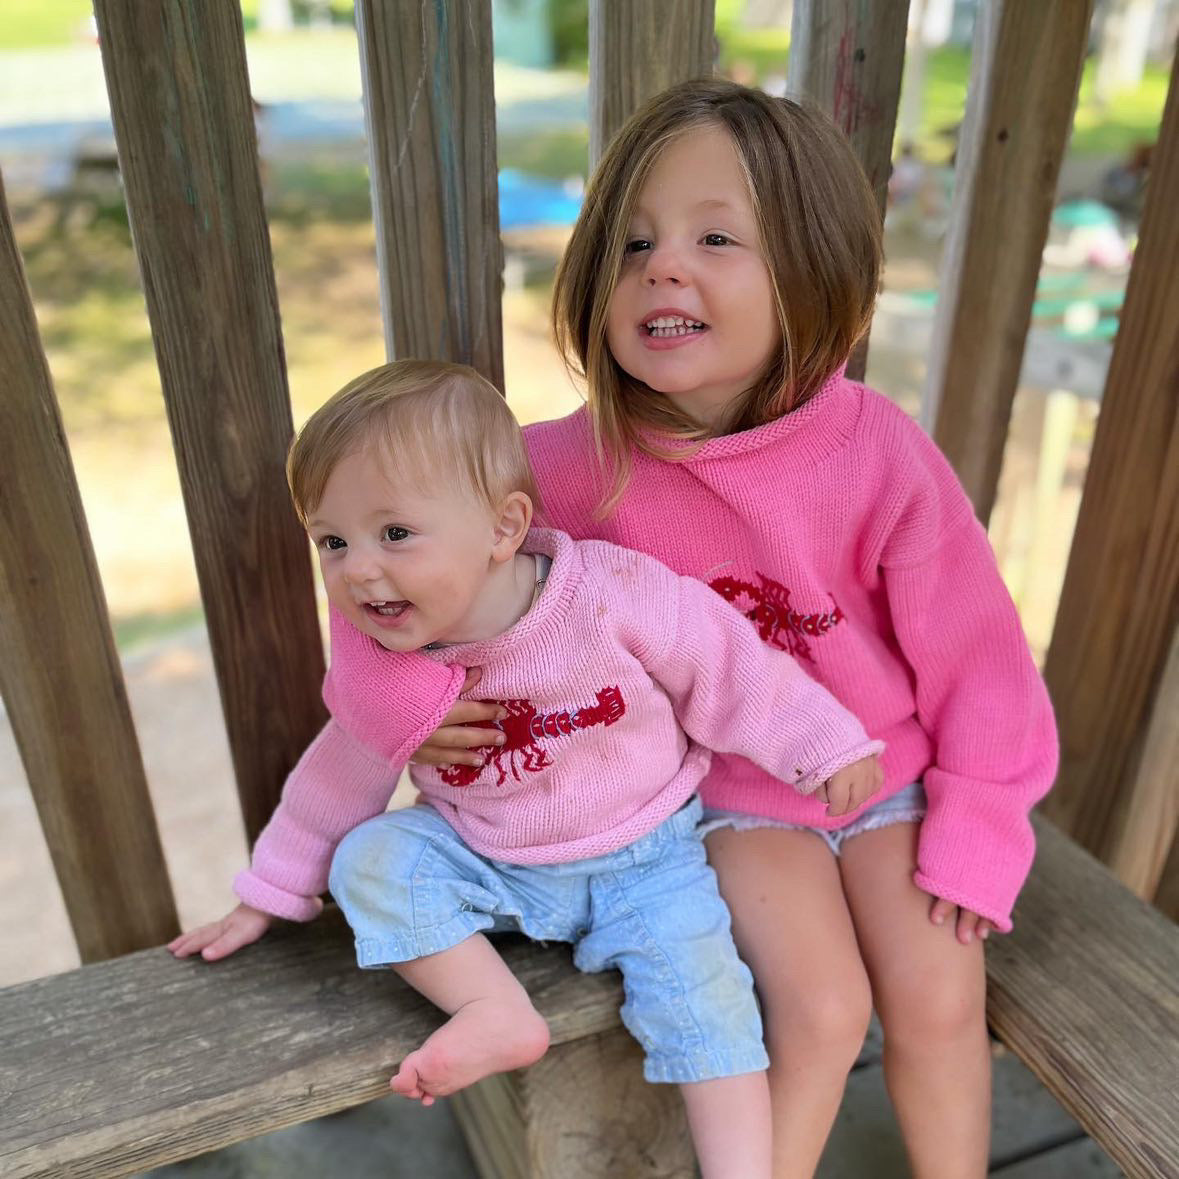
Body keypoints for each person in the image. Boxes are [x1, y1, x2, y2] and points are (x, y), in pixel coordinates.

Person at [326, 82, 1059, 1179]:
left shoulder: (878, 451)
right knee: (817, 1009)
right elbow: (379, 573)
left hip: (890, 774)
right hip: (727, 795)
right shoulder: (560, 471)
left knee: (940, 997)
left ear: (812, 272)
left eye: (716, 236)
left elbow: (978, 656)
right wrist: (407, 709)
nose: (663, 266)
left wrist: (983, 817)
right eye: (632, 244)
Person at [170, 359, 885, 1179]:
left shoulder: (610, 597)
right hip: (493, 866)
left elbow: (729, 666)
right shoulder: (399, 670)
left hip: (646, 861)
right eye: (332, 541)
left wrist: (823, 744)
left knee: (708, 1006)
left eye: (394, 533)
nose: (358, 569)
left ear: (504, 528)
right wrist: (268, 892)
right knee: (372, 856)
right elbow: (339, 776)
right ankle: (493, 1009)